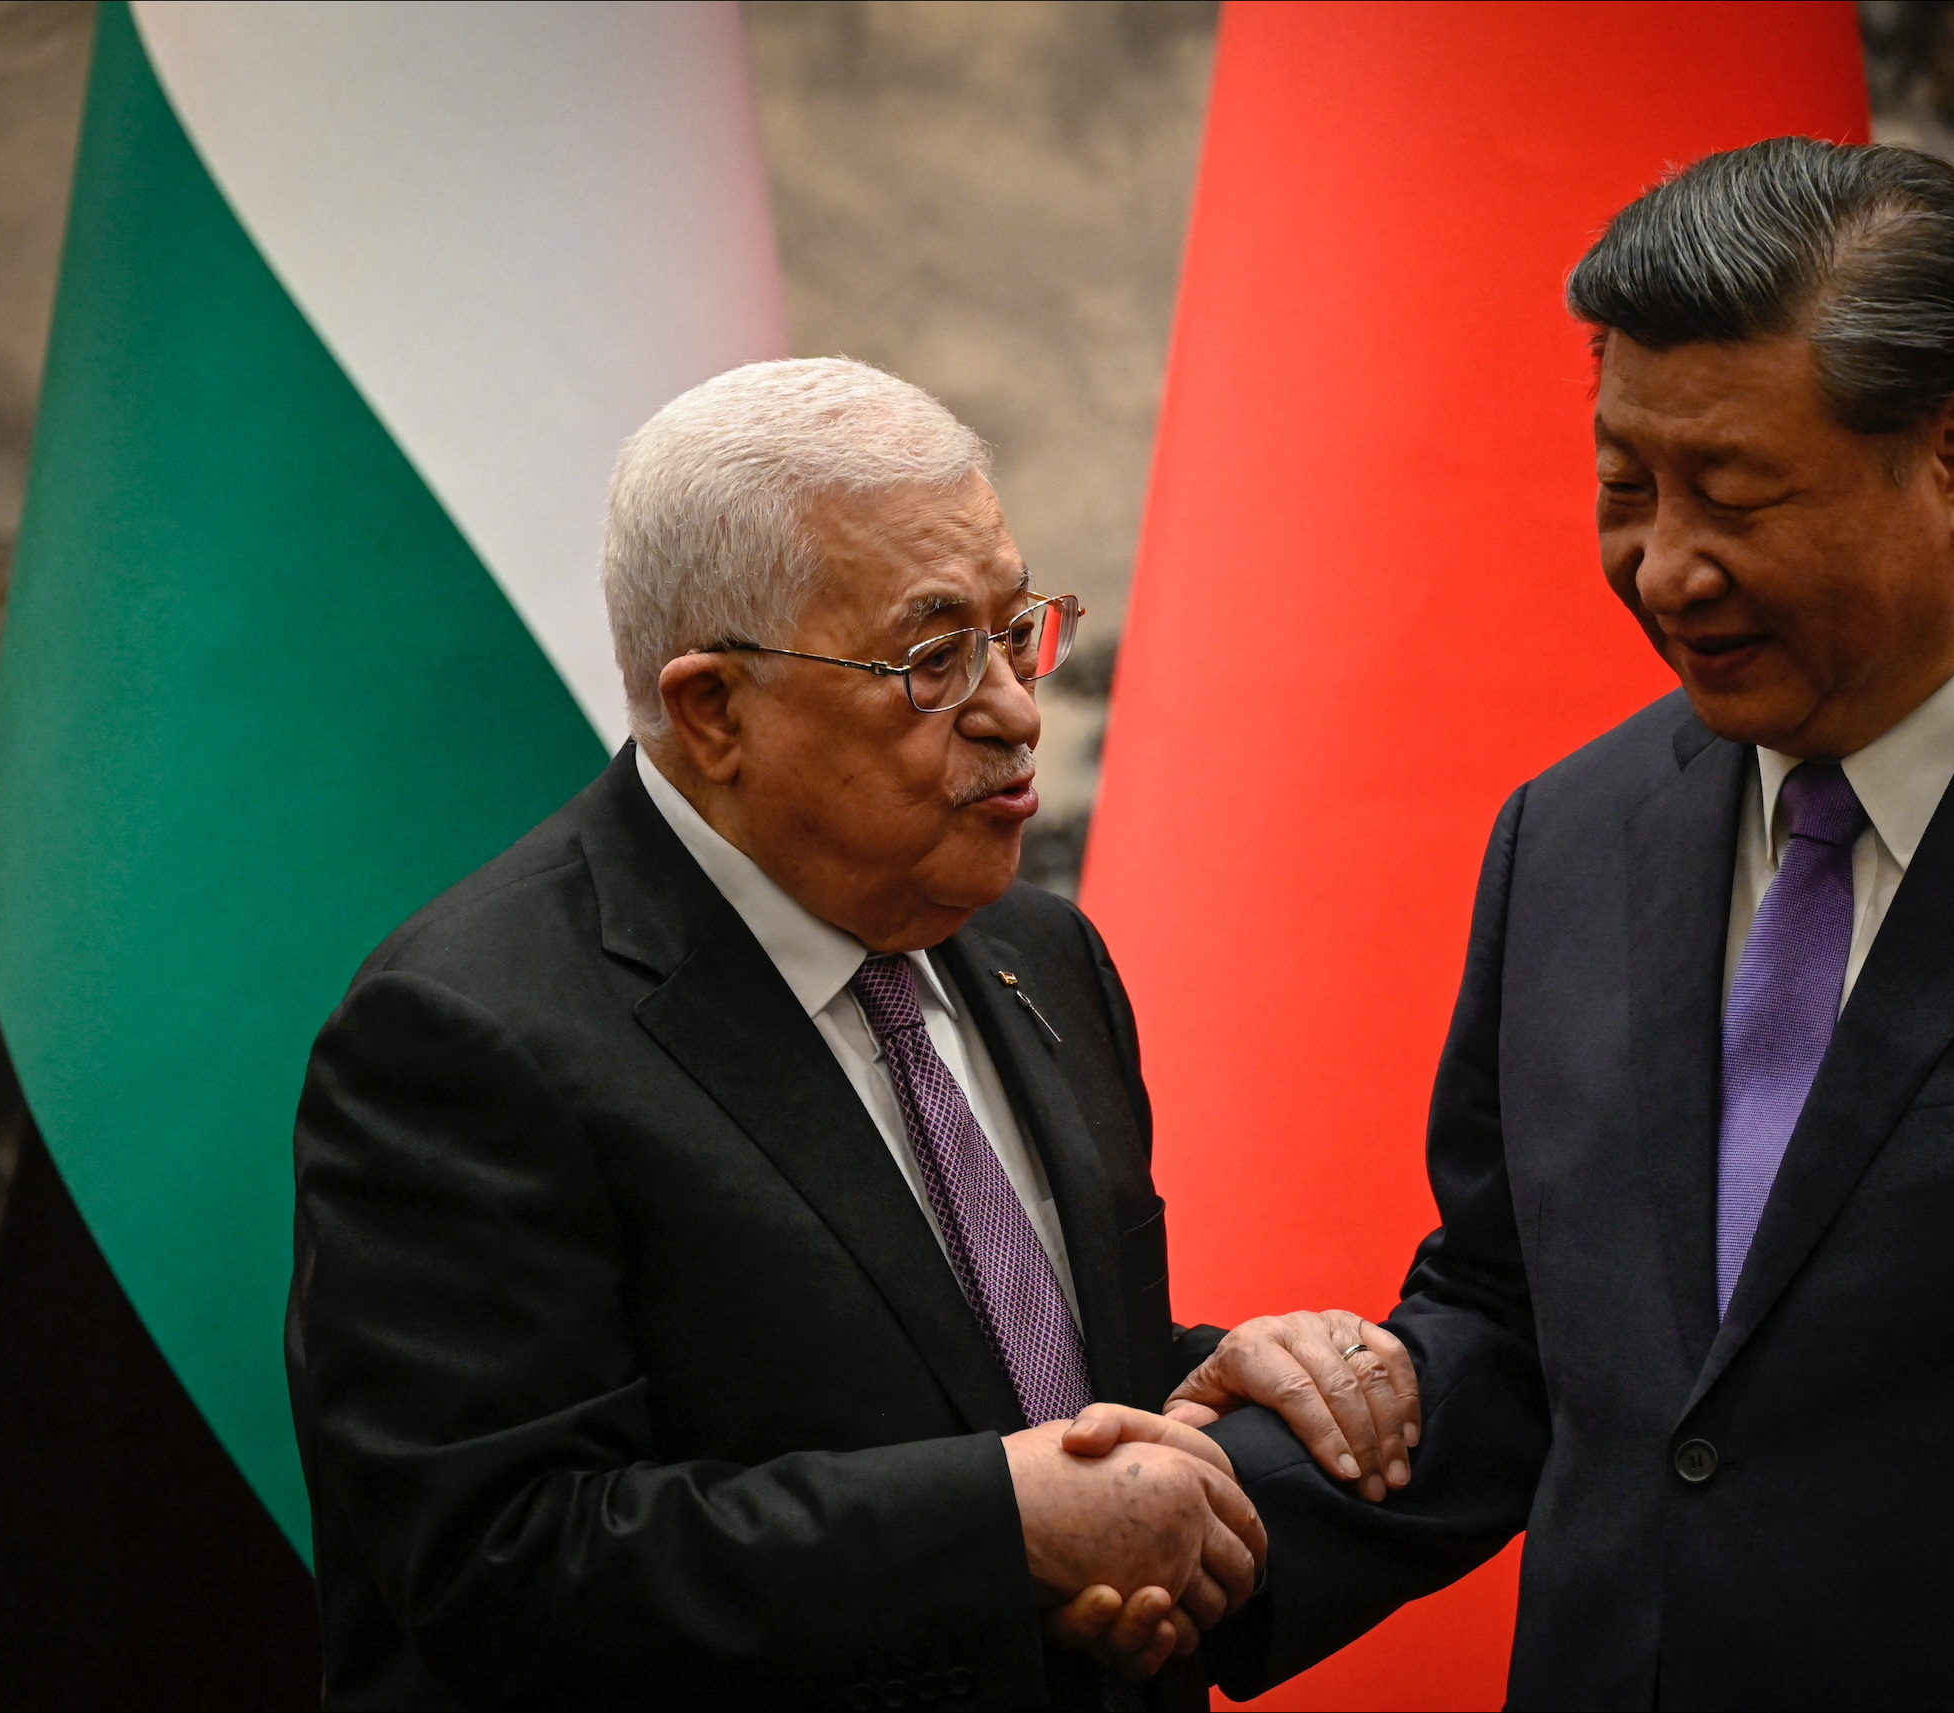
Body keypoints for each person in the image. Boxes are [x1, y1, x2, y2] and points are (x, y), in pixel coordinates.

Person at [1162, 139, 1954, 1707]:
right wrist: (1198, 1529)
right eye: (1622, 488)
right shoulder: (1569, 835)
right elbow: (1526, 1324)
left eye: (1732, 494)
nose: (1664, 566)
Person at [286, 359, 1272, 1710]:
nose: (1013, 708)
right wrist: (994, 1526)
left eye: (1016, 627)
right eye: (933, 659)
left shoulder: (1043, 954)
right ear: (713, 712)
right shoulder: (467, 1034)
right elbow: (499, 1565)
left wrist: (1218, 1383)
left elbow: (995, 1377)